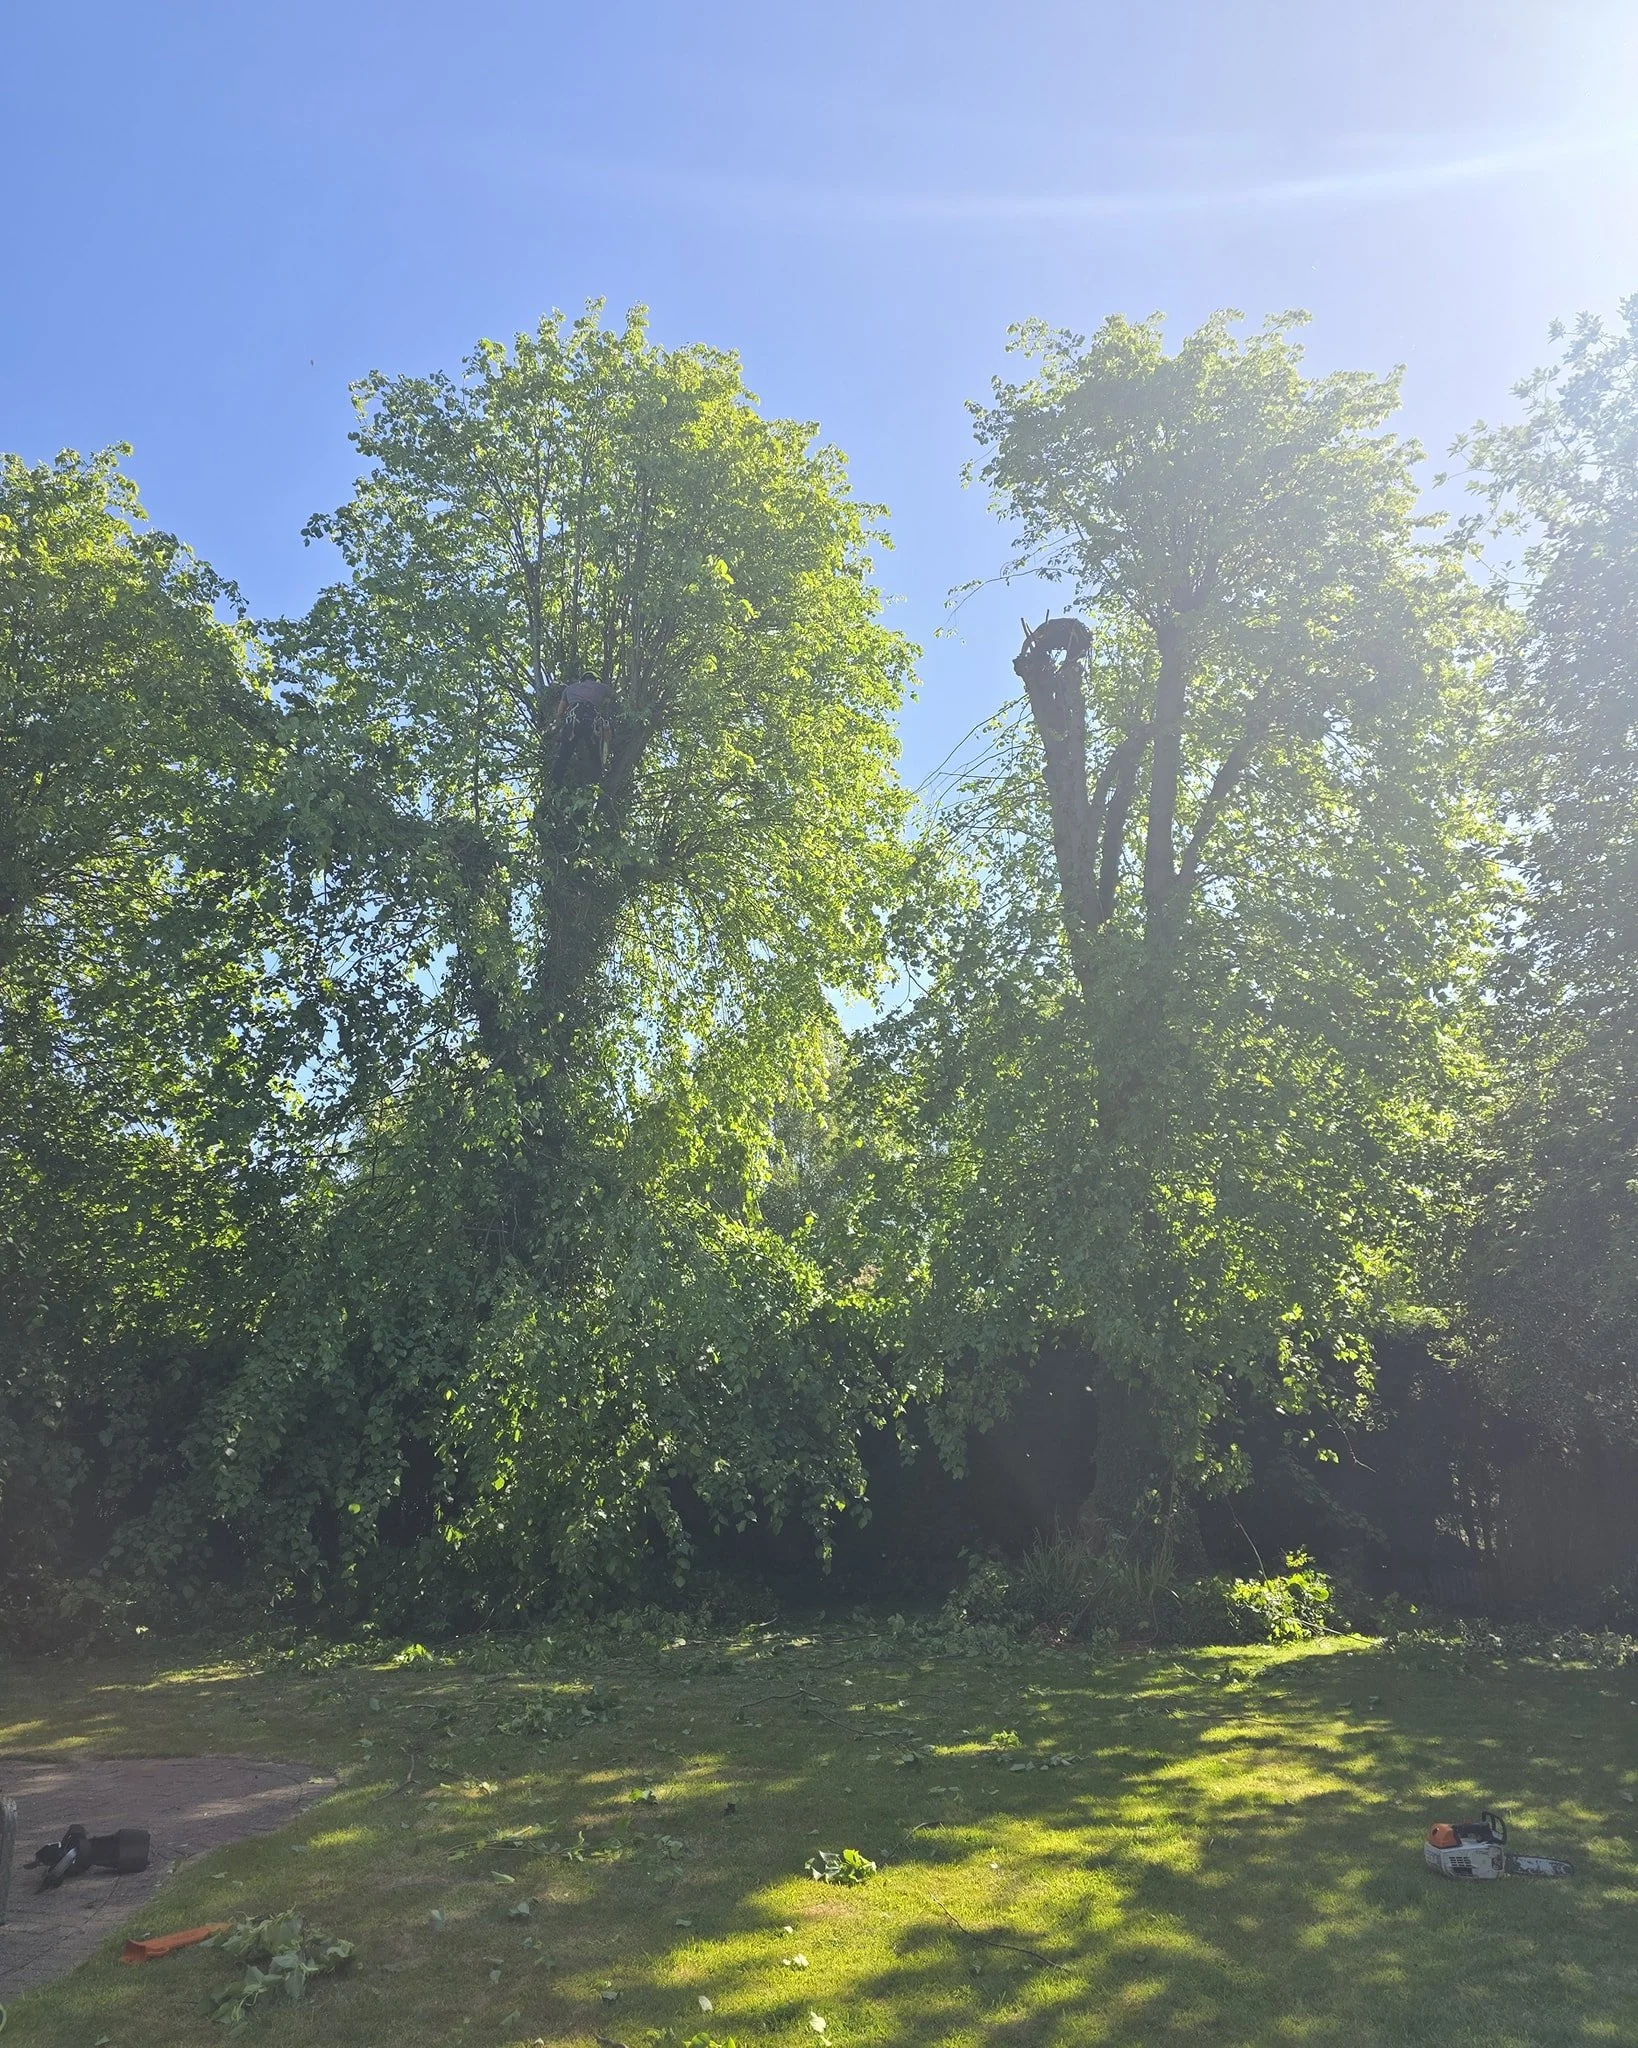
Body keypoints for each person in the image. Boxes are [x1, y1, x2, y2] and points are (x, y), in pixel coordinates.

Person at [553, 671, 616, 784]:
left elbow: (560, 713)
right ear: (595, 679)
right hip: (590, 721)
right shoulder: (601, 687)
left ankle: (555, 784)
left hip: (573, 722)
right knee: (596, 757)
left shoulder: (569, 689)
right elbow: (615, 697)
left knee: (563, 756)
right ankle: (595, 784)